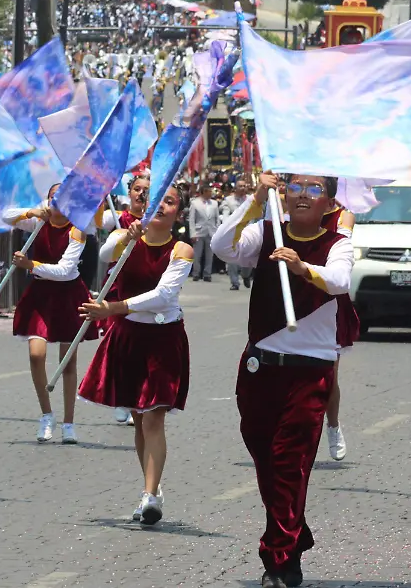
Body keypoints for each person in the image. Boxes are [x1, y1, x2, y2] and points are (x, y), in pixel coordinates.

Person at [211, 171, 354, 588]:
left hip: (309, 372)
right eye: (296, 187)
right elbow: (224, 247)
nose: (304, 195)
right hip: (259, 367)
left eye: (315, 189)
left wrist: (301, 267)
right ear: (284, 194)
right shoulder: (266, 229)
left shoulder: (337, 244)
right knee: (267, 461)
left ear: (329, 202)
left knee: (290, 463)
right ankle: (294, 534)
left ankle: (277, 558)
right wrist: (255, 199)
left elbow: (340, 282)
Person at [78, 186, 192, 525]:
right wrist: (127, 237)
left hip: (163, 339)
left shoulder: (181, 249)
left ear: (178, 213)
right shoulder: (124, 237)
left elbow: (163, 294)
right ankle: (152, 490)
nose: (162, 206)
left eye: (170, 202)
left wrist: (113, 307)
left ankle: (149, 494)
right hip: (129, 337)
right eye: (157, 199)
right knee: (140, 419)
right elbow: (103, 255)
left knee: (154, 415)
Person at [3, 184, 98, 444]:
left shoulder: (77, 231)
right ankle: (47, 415)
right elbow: (5, 216)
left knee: (67, 362)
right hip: (41, 296)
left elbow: (65, 270)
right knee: (36, 355)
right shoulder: (39, 223)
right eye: (53, 196)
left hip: (69, 295)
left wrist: (30, 264)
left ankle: (69, 423)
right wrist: (31, 212)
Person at [98, 173, 149, 427]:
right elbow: (93, 222)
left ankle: (139, 395)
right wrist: (97, 195)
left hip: (144, 287)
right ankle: (121, 400)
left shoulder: (154, 221)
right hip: (117, 288)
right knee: (118, 344)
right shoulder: (117, 217)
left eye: (146, 190)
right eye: (137, 189)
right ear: (129, 193)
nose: (141, 194)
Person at [320, 199, 358, 462]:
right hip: (296, 294)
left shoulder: (344, 216)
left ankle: (332, 425)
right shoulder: (289, 214)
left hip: (329, 299)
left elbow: (337, 247)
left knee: (328, 374)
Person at [219, 181, 252, 290]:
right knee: (232, 259)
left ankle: (246, 275)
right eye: (240, 186)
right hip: (233, 232)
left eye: (244, 186)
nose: (243, 188)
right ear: (235, 188)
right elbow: (225, 215)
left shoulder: (251, 199)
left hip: (249, 232)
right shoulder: (228, 200)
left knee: (249, 257)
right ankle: (234, 282)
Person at [189, 183, 218, 281]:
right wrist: (192, 233)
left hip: (211, 232)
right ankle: (196, 273)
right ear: (203, 192)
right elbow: (192, 220)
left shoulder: (214, 203)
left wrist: (217, 232)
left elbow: (217, 219)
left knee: (209, 255)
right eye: (209, 191)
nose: (211, 193)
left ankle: (207, 274)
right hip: (199, 232)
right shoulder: (195, 203)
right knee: (197, 254)